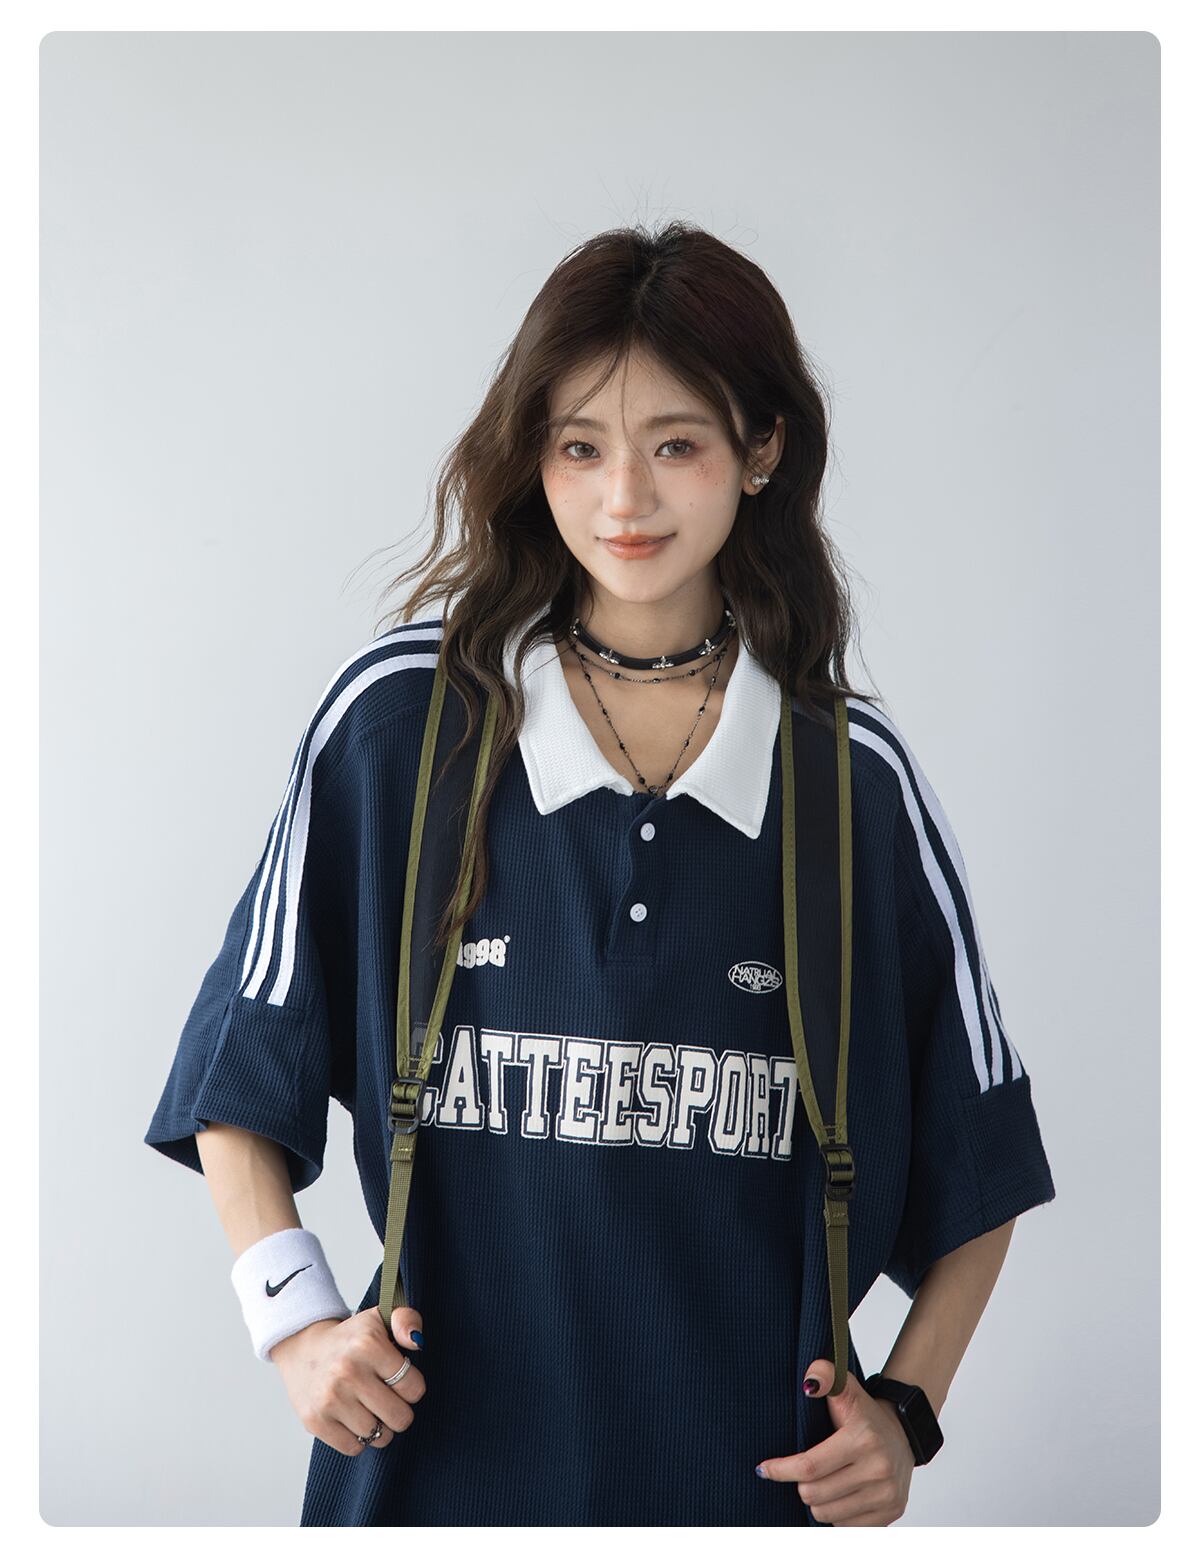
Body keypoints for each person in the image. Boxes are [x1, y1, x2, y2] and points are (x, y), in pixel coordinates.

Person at [143, 220, 1056, 1528]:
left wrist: (906, 1411)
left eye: (675, 445)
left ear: (762, 449)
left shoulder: (849, 782)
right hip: (430, 1488)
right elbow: (244, 1055)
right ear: (533, 457)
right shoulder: (404, 728)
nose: (624, 500)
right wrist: (294, 1325)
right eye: (580, 447)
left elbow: (982, 1148)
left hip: (734, 1493)